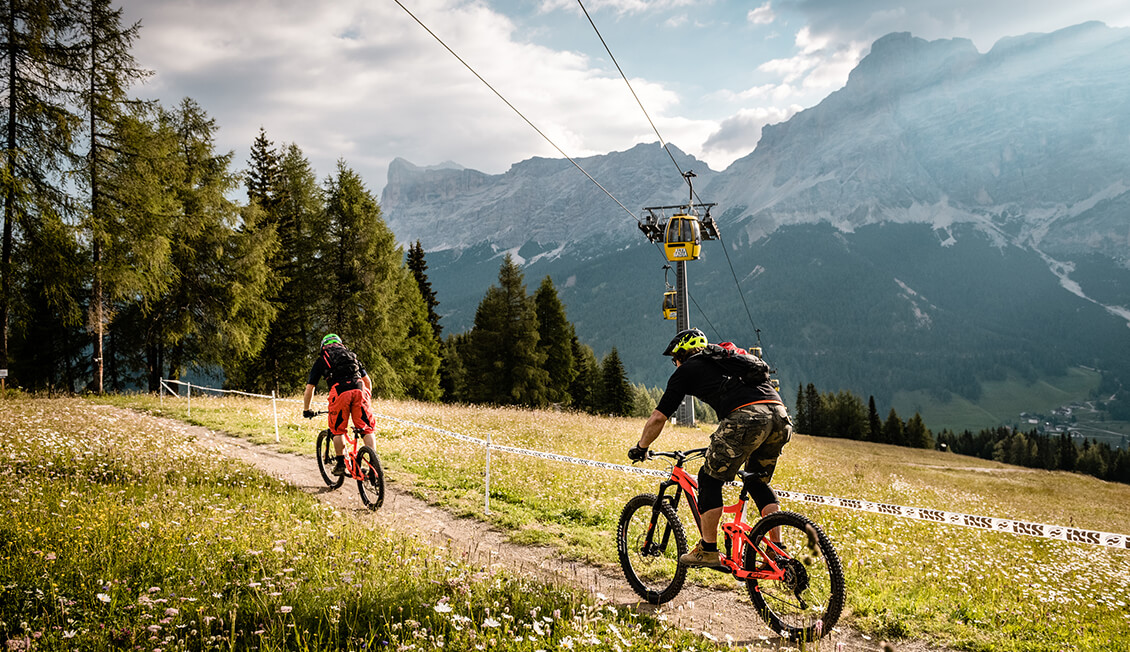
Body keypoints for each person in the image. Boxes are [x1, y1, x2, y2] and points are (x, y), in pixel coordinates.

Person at [628, 328, 792, 568]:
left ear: (682, 354)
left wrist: (641, 447)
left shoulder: (687, 370)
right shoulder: (727, 359)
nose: (675, 365)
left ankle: (707, 550)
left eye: (674, 359)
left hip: (747, 418)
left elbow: (658, 417)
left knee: (708, 478)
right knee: (757, 481)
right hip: (780, 415)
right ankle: (777, 552)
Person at [303, 334, 377, 476]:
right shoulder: (351, 356)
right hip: (359, 389)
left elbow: (310, 388)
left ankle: (341, 464)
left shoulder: (321, 360)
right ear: (340, 344)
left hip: (340, 392)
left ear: (323, 346)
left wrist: (307, 409)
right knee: (367, 429)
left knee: (338, 430)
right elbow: (367, 381)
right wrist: (367, 398)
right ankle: (374, 465)